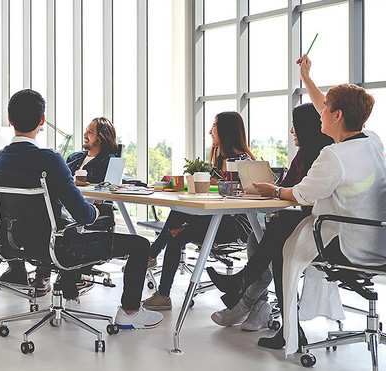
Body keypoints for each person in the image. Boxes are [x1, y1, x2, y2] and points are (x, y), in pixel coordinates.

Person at [209, 55, 385, 356]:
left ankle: (250, 283)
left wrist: (272, 189)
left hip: (348, 245)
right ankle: (251, 284)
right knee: (281, 230)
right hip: (377, 240)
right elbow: (324, 108)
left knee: (280, 232)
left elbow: (303, 194)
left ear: (338, 116)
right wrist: (306, 78)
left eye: (326, 111)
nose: (320, 116)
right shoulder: (372, 140)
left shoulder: (333, 156)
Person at [0, 89, 163, 328]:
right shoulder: (50, 159)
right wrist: (94, 209)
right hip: (62, 246)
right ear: (42, 121)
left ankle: (70, 292)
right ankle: (130, 311)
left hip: (18, 242)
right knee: (141, 245)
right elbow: (84, 215)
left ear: (10, 119)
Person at [207, 103, 333, 332]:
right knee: (259, 239)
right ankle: (256, 301)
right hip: (309, 222)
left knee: (276, 236)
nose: (292, 131)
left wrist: (276, 192)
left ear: (305, 127)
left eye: (295, 125)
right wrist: (270, 189)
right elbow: (285, 187)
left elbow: (304, 193)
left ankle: (244, 293)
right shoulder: (302, 155)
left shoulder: (324, 158)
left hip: (323, 227)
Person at [141, 111, 253, 311]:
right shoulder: (220, 160)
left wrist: (215, 182)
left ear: (226, 130)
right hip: (214, 218)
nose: (210, 131)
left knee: (176, 230)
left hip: (233, 225)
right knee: (177, 215)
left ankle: (154, 263)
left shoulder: (243, 161)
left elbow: (238, 194)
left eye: (214, 126)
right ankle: (158, 274)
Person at [0, 117, 122, 296]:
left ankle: (51, 275)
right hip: (65, 207)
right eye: (86, 130)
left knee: (54, 221)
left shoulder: (110, 161)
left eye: (90, 132)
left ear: (101, 138)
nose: (85, 134)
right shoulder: (74, 157)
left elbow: (107, 191)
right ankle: (50, 274)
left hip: (89, 208)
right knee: (47, 219)